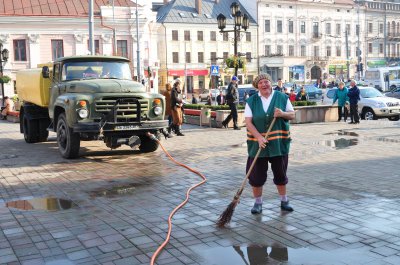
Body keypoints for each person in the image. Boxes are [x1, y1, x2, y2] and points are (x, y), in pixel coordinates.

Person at [244, 74, 295, 214]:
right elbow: (248, 122)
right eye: (260, 83)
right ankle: (258, 203)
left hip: (279, 143)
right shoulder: (251, 101)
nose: (264, 84)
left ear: (270, 83)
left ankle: (284, 201)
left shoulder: (282, 97)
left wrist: (282, 113)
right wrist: (259, 137)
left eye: (266, 81)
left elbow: (292, 115)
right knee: (256, 176)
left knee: (280, 173)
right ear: (257, 86)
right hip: (257, 144)